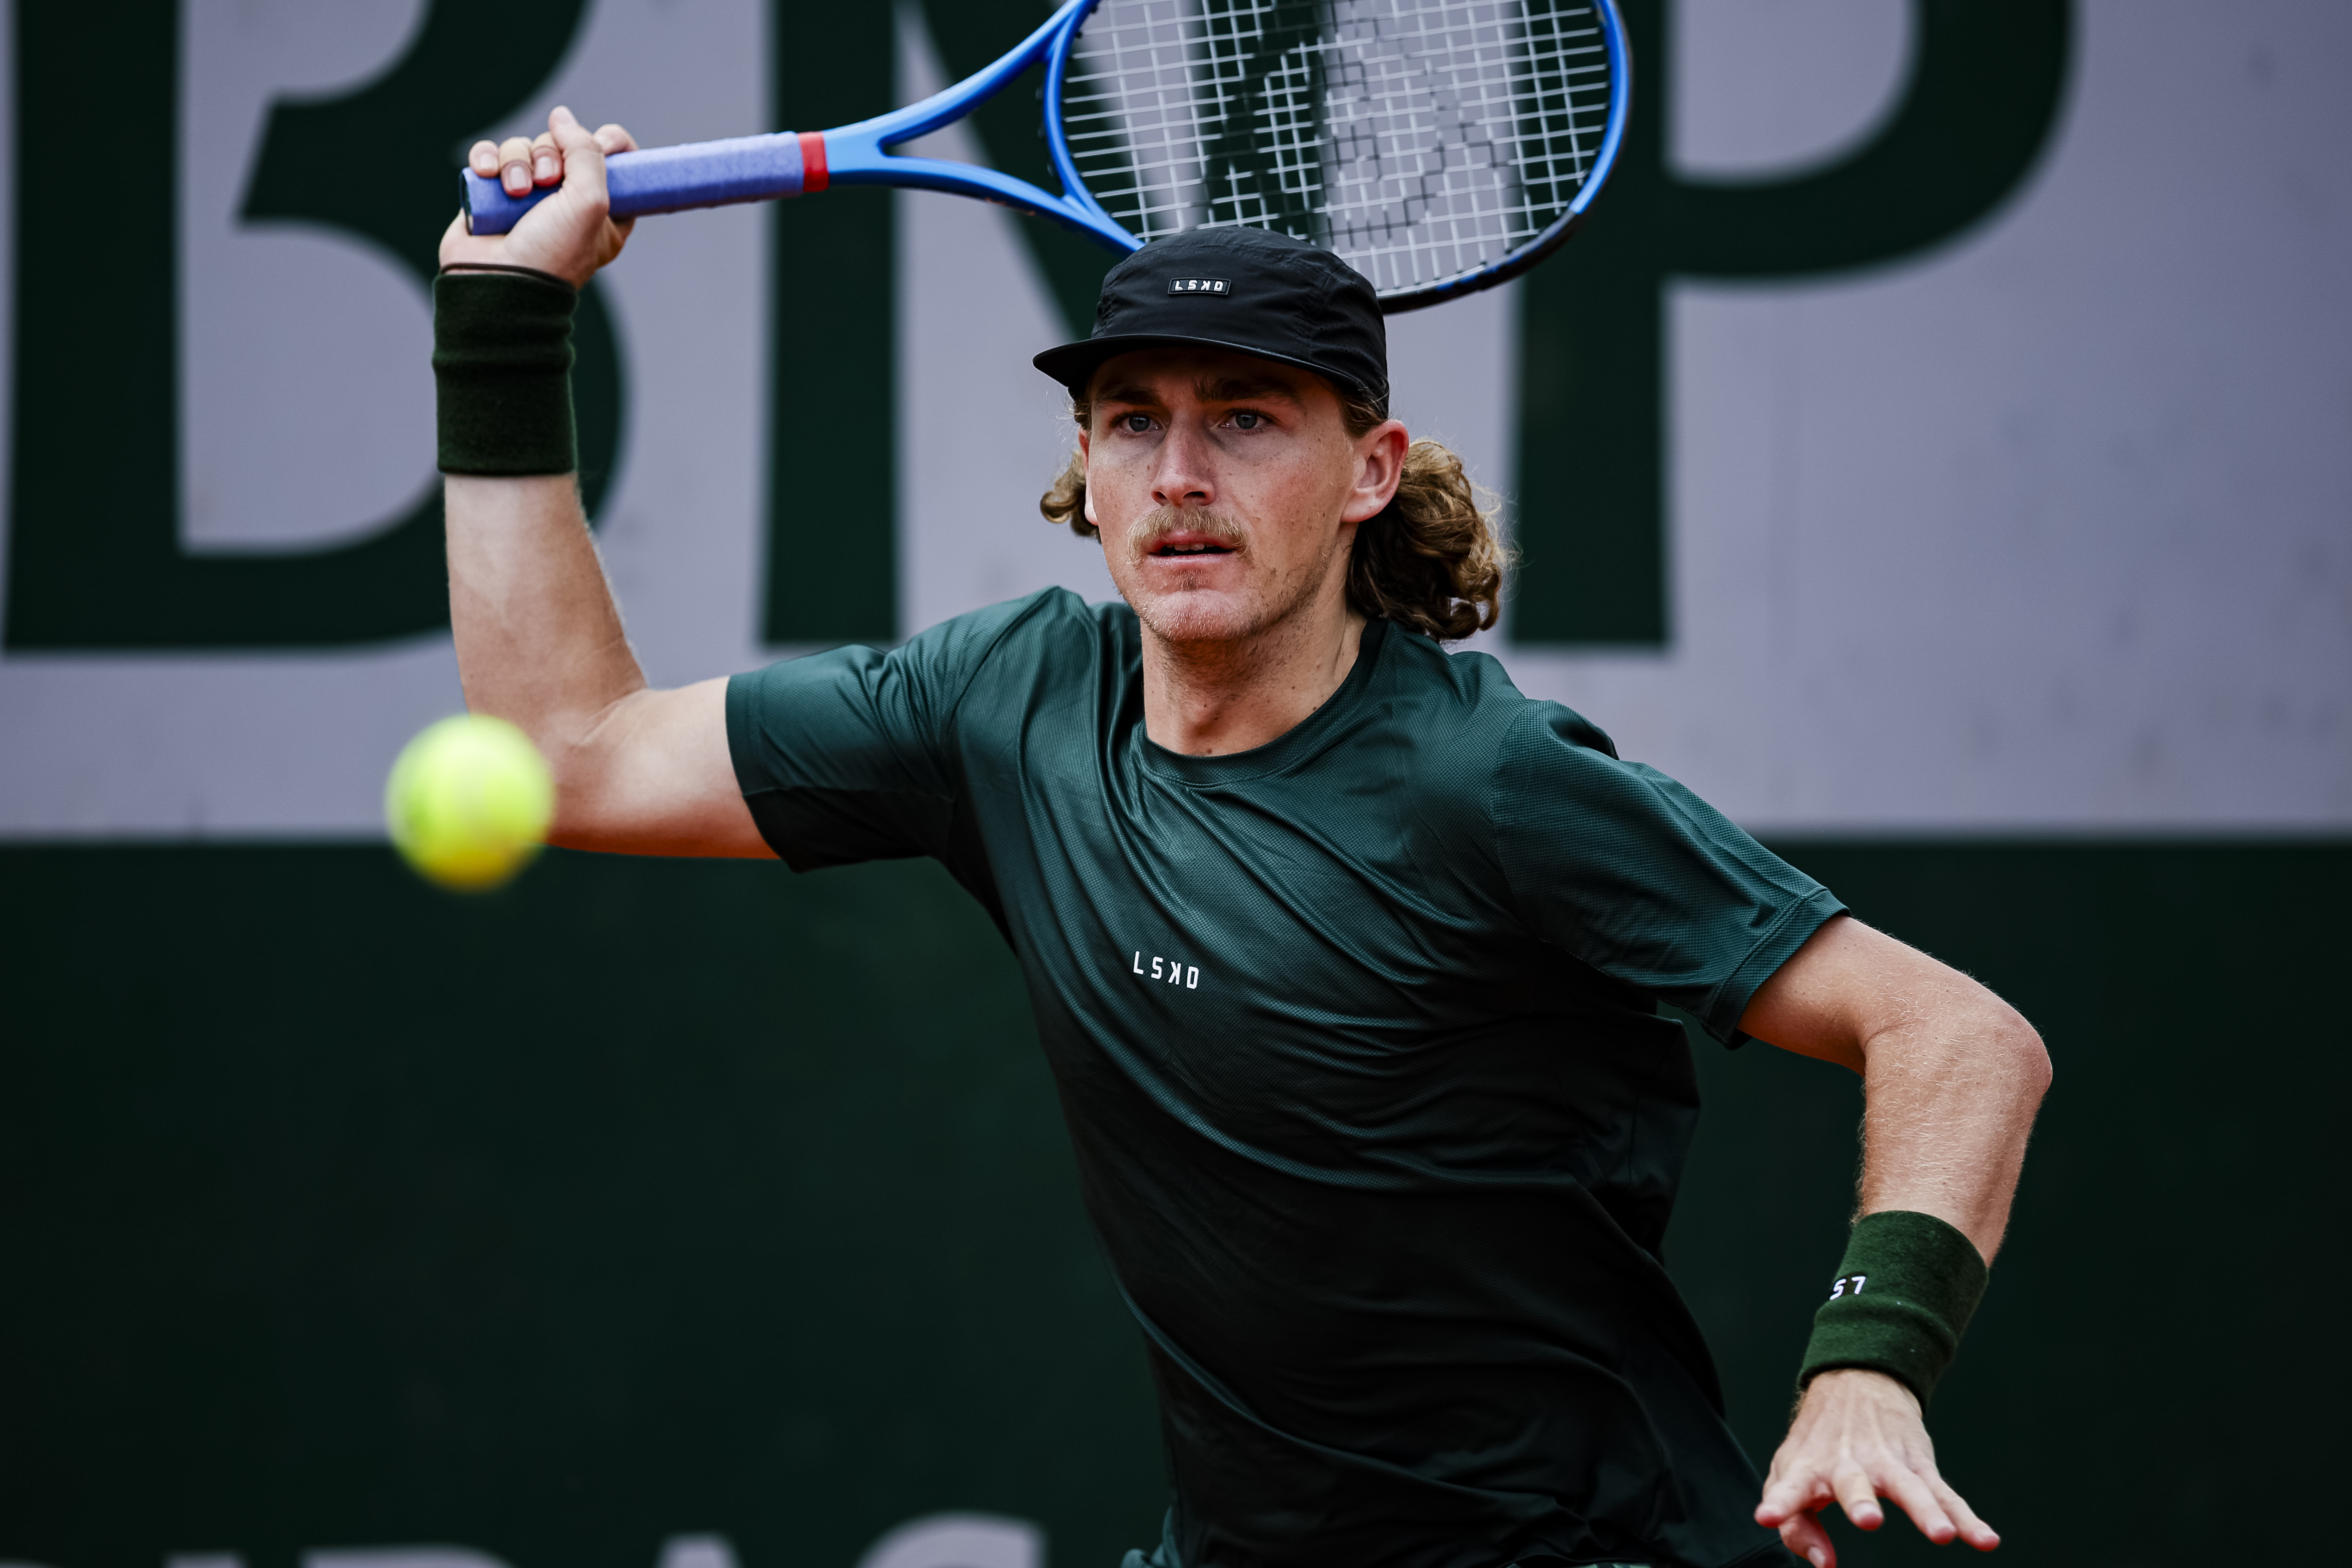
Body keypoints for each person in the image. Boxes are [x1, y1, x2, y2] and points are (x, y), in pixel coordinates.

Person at [437, 110, 2051, 1568]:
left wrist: (1867, 1368)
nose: (1182, 475)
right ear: (1086, 465)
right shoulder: (1008, 705)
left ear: (1371, 471)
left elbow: (1959, 1035)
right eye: (1132, 421)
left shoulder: (1487, 783)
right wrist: (509, 313)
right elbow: (564, 756)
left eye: (1249, 420)